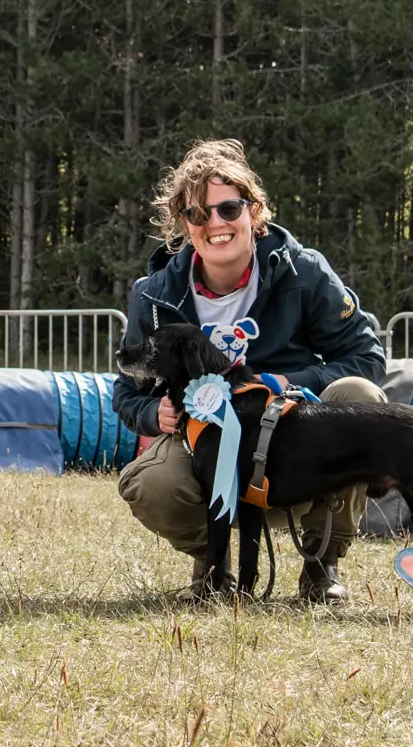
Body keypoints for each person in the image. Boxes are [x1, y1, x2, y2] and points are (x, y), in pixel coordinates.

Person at [113, 139, 388, 602]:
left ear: (253, 210)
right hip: (206, 449)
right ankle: (213, 565)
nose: (215, 224)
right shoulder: (154, 295)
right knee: (149, 483)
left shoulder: (303, 271)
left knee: (362, 395)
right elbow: (126, 392)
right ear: (184, 224)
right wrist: (151, 412)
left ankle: (322, 562)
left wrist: (286, 383)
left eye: (228, 208)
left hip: (297, 444)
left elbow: (367, 359)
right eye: (198, 214)